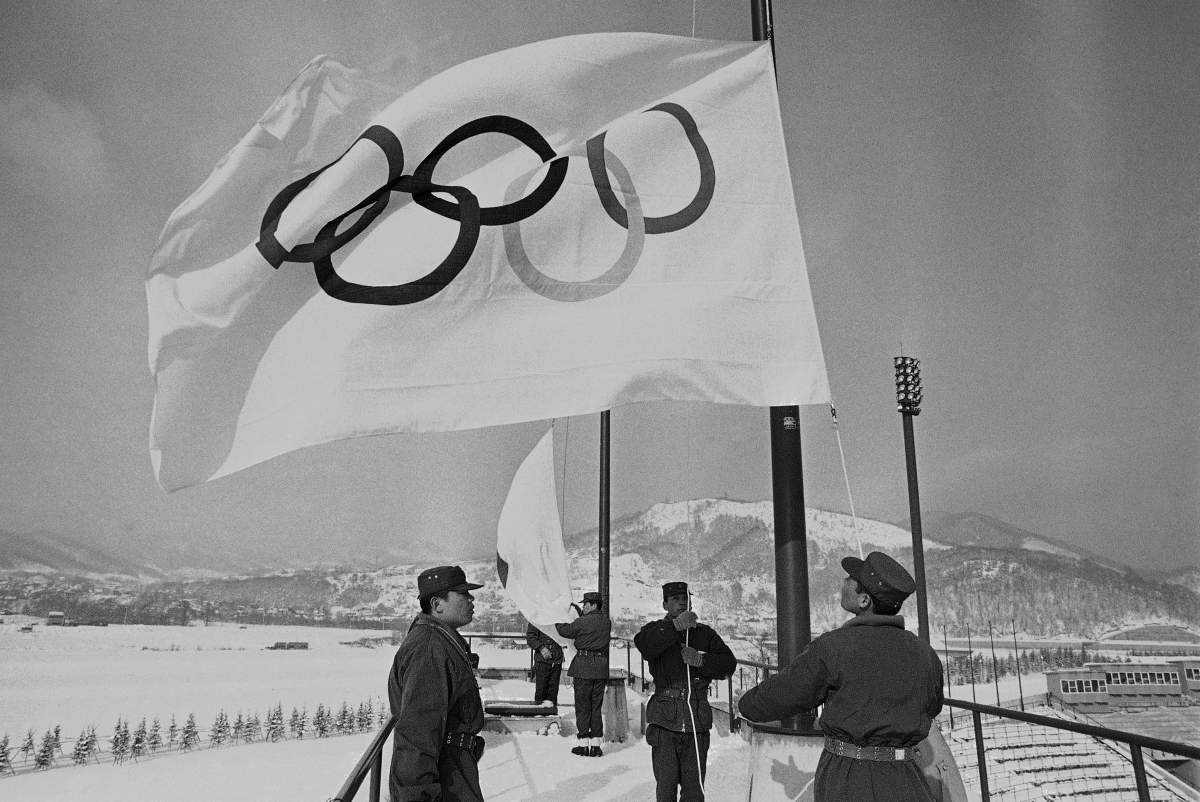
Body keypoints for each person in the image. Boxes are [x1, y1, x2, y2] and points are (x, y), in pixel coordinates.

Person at [737, 551, 945, 802]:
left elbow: (787, 693)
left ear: (865, 600)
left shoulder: (834, 647)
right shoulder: (925, 653)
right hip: (907, 777)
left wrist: (745, 704)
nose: (844, 581)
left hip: (848, 778)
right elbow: (932, 706)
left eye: (850, 579)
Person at [388, 565, 487, 802]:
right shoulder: (430, 649)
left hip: (453, 768)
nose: (471, 599)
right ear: (437, 604)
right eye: (462, 594)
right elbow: (417, 734)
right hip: (446, 775)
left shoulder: (437, 640)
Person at [634, 581, 737, 802]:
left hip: (696, 722)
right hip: (664, 722)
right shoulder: (655, 630)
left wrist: (702, 660)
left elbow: (729, 664)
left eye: (685, 598)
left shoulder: (704, 634)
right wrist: (675, 627)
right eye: (675, 599)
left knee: (694, 792)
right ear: (665, 604)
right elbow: (644, 644)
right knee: (666, 789)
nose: (682, 602)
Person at [555, 591, 611, 757]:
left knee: (582, 707)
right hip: (600, 668)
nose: (584, 606)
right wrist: (580, 615)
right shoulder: (606, 622)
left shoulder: (583, 622)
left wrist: (555, 618)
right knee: (596, 707)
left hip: (584, 667)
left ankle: (583, 743)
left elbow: (566, 631)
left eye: (586, 604)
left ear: (593, 605)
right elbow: (590, 625)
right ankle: (595, 746)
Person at [524, 620, 564, 707]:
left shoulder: (559, 615)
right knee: (541, 691)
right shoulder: (537, 617)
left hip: (557, 660)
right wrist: (541, 648)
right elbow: (530, 637)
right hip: (542, 661)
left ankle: (551, 716)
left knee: (553, 691)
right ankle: (540, 715)